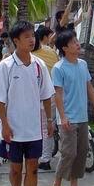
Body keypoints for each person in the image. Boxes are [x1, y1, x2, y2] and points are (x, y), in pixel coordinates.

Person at [0, 21, 55, 186]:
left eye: (32, 36)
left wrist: (49, 120)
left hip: (34, 129)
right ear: (16, 41)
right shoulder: (6, 66)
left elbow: (46, 95)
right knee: (16, 170)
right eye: (26, 37)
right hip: (14, 130)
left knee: (33, 169)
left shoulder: (39, 65)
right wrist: (5, 125)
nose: (31, 39)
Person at [50, 29, 94, 186]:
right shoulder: (59, 68)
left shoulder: (83, 64)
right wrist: (62, 117)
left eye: (76, 40)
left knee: (81, 152)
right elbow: (57, 94)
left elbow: (89, 87)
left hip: (82, 117)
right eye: (73, 42)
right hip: (68, 119)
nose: (77, 44)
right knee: (68, 153)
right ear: (64, 48)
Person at [32, 26, 60, 171]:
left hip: (40, 96)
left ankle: (45, 158)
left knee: (43, 127)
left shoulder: (29, 56)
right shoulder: (50, 51)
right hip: (54, 93)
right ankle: (46, 155)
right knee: (48, 125)